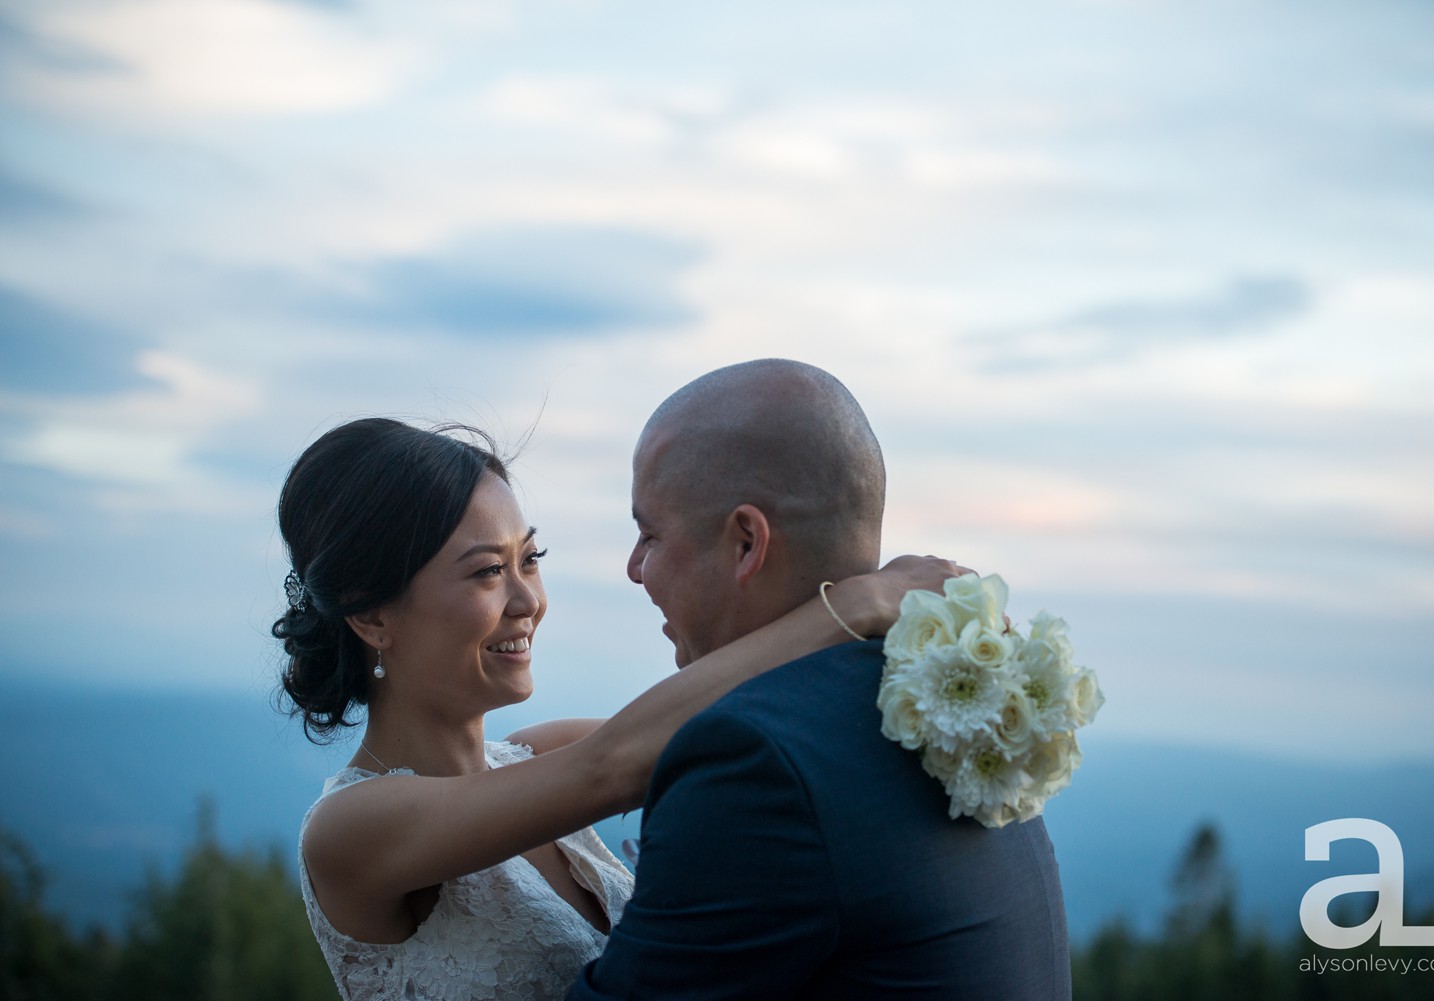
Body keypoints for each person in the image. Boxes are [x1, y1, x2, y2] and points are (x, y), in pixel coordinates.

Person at [274, 416, 962, 1001]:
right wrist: (857, 603)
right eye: (488, 571)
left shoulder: (543, 751)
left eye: (531, 558)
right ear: (371, 617)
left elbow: (752, 732)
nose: (528, 600)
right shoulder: (348, 831)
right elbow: (613, 764)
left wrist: (951, 666)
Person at [569, 359, 1072, 1000]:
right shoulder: (932, 706)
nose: (635, 569)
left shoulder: (757, 759)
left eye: (649, 534)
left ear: (747, 542)